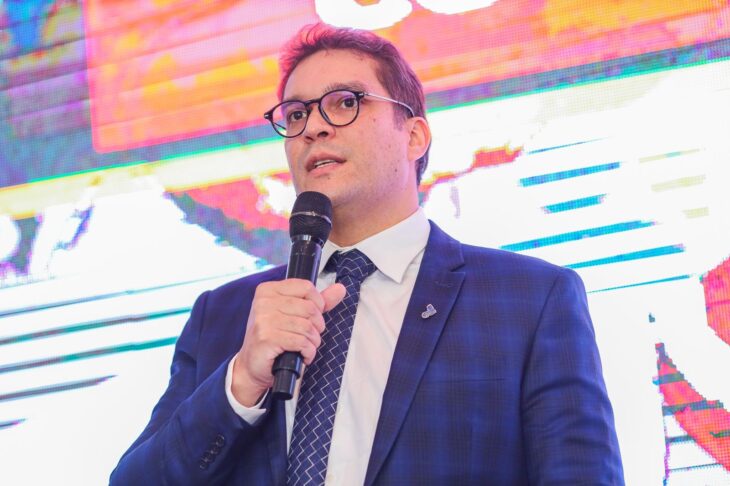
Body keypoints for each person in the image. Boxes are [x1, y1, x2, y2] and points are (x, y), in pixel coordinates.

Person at [110, 23, 624, 485]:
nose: (313, 127)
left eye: (344, 103)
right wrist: (241, 380)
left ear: (414, 135)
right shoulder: (225, 315)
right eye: (296, 114)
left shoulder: (530, 299)